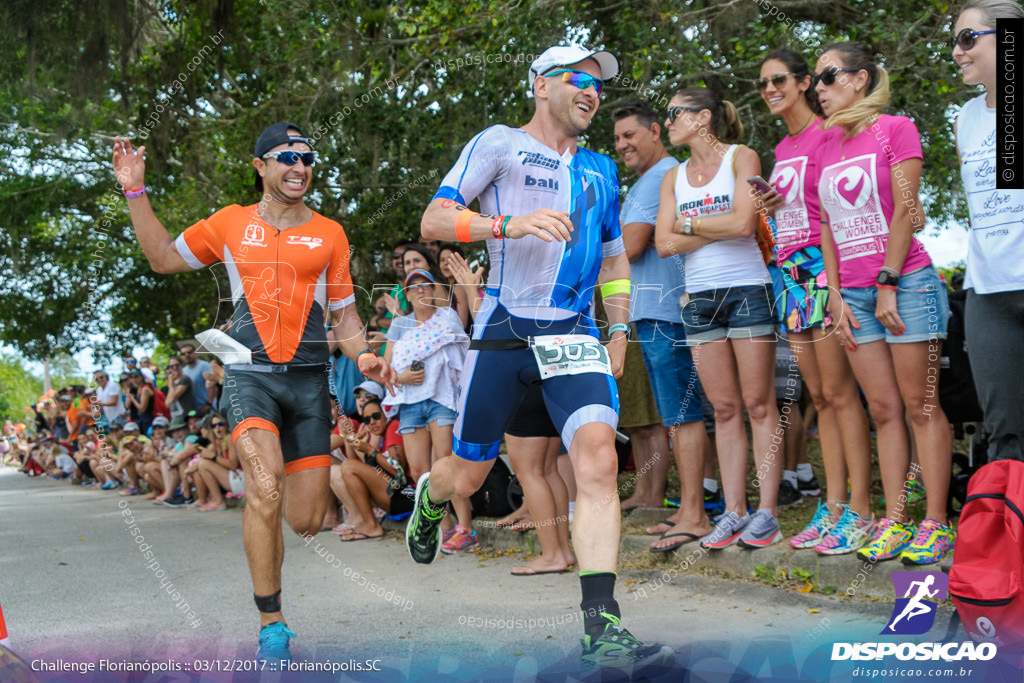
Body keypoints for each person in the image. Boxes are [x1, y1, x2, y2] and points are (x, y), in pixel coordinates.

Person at [406, 45, 672, 671]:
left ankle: (601, 626)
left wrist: (619, 330)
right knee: (466, 475)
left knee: (600, 461)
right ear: (539, 85)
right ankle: (429, 495)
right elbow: (436, 218)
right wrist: (508, 227)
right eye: (578, 80)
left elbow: (611, 256)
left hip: (574, 333)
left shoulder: (603, 170)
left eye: (599, 86)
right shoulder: (498, 143)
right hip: (503, 328)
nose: (591, 93)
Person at [112, 120, 395, 663]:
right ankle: (272, 622)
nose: (299, 167)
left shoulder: (331, 233)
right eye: (286, 157)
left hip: (310, 382)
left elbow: (347, 313)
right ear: (261, 166)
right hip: (250, 374)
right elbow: (162, 259)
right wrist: (134, 191)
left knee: (306, 520)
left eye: (308, 159)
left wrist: (363, 357)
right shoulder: (229, 223)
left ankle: (275, 515)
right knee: (264, 489)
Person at [813, 43, 953, 564]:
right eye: (816, 81)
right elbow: (826, 222)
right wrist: (833, 294)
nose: (819, 89)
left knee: (921, 406)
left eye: (828, 77)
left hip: (906, 284)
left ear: (861, 78)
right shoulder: (827, 144)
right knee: (884, 410)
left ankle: (936, 522)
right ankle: (894, 520)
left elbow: (905, 213)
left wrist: (889, 281)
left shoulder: (896, 128)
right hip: (849, 295)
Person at [755, 48, 875, 555]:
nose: (769, 90)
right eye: (762, 83)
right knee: (818, 398)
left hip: (824, 271)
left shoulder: (830, 132)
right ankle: (831, 506)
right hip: (788, 274)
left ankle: (861, 510)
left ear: (804, 82)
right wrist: (773, 207)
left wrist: (837, 284)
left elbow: (837, 208)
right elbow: (800, 207)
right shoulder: (781, 150)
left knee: (842, 395)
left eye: (778, 79)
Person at [654, 87, 783, 550]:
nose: (667, 122)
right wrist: (715, 223)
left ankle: (766, 512)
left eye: (674, 114)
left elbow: (745, 226)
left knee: (759, 404)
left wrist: (688, 225)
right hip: (698, 299)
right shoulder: (674, 177)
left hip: (747, 289)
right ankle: (734, 511)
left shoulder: (741, 157)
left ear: (703, 117)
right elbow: (663, 244)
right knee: (724, 410)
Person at [611, 98, 716, 552]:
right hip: (651, 311)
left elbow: (630, 247)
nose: (621, 145)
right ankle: (691, 505)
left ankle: (696, 510)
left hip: (666, 311)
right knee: (678, 416)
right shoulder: (649, 181)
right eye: (616, 138)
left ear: (656, 131)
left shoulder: (660, 177)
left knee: (681, 414)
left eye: (629, 135)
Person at [952, 0, 1024, 464]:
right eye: (954, 41)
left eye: (967, 38)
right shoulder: (966, 119)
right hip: (988, 294)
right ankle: (1010, 533)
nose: (957, 51)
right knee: (1003, 436)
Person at [382, 267, 473, 553]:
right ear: (406, 294)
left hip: (441, 397)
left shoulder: (447, 318)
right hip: (410, 402)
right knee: (422, 470)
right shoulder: (399, 325)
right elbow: (387, 369)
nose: (420, 290)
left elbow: (460, 344)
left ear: (435, 290)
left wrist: (459, 277)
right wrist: (403, 377)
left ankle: (466, 529)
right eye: (414, 287)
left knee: (446, 462)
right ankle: (444, 529)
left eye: (426, 285)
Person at [338, 397, 409, 541]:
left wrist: (370, 450)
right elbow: (354, 461)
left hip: (405, 496)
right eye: (367, 419)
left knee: (349, 467)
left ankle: (371, 525)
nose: (372, 422)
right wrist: (348, 438)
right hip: (393, 496)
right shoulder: (381, 435)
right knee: (348, 466)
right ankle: (368, 523)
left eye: (376, 416)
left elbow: (399, 471)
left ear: (386, 415)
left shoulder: (393, 426)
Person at [179, 343, 211, 413]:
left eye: (189, 352)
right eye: (183, 354)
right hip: (192, 411)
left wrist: (209, 404)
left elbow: (213, 386)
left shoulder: (205, 366)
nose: (186, 355)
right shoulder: (183, 371)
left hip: (208, 409)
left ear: (195, 353)